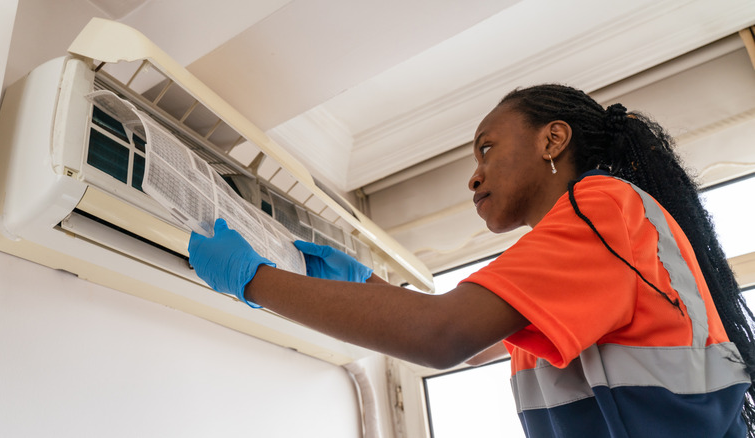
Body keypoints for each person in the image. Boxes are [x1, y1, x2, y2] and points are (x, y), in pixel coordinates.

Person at [188, 84, 755, 437]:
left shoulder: (601, 204)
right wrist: (368, 283)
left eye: (487, 148)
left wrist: (253, 281)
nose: (474, 176)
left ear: (552, 140)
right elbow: (473, 340)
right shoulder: (588, 240)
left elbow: (443, 335)